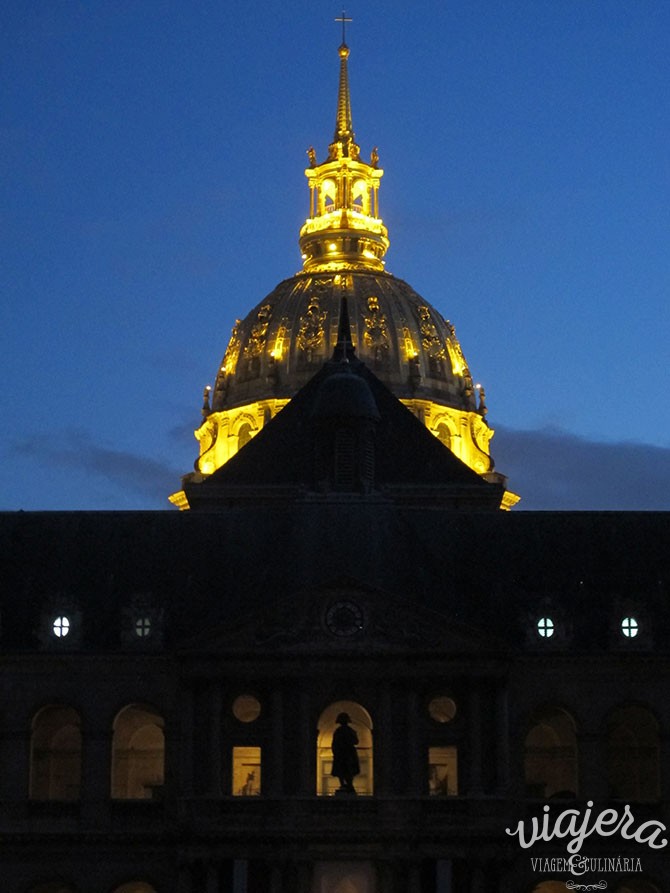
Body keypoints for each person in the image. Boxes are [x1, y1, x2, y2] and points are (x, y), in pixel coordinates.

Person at [331, 712, 359, 793]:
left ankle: (347, 785)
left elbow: (356, 741)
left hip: (345, 753)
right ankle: (346, 785)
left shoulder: (339, 731)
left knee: (346, 770)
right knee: (345, 770)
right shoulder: (349, 731)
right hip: (345, 753)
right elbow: (356, 741)